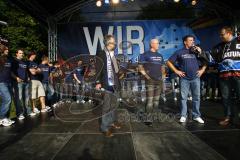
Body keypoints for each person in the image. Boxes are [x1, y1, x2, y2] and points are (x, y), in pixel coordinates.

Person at [167, 35, 207, 124]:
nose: (193, 42)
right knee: (183, 98)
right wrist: (177, 71)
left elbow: (206, 61)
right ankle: (183, 115)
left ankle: (196, 115)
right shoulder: (179, 52)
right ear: (185, 42)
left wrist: (202, 70)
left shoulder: (197, 52)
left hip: (195, 78)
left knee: (196, 97)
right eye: (190, 40)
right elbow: (169, 62)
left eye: (193, 40)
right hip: (184, 78)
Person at [211, 26, 240, 126]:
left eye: (222, 34)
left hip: (238, 75)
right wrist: (199, 52)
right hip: (224, 76)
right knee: (226, 97)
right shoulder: (219, 46)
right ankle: (228, 117)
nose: (220, 36)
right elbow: (211, 58)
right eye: (220, 34)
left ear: (229, 33)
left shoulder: (238, 40)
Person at [95, 34, 121, 137]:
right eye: (113, 42)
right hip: (106, 83)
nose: (115, 43)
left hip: (115, 84)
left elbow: (116, 70)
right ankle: (105, 128)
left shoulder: (113, 54)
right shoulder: (101, 54)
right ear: (108, 42)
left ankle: (112, 122)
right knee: (106, 106)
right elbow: (98, 68)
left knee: (114, 105)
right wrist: (97, 82)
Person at [139, 38, 165, 126]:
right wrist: (146, 76)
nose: (158, 45)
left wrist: (163, 75)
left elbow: (162, 66)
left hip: (159, 81)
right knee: (150, 100)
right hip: (150, 81)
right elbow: (140, 67)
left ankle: (154, 115)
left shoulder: (160, 55)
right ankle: (148, 118)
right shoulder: (145, 55)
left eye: (158, 43)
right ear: (151, 44)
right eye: (156, 43)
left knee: (156, 100)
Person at [12, 49, 31, 119]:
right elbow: (11, 71)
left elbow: (26, 71)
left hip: (26, 82)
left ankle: (28, 112)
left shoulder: (24, 62)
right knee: (19, 98)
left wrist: (28, 77)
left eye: (22, 53)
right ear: (16, 54)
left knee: (26, 98)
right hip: (18, 82)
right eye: (20, 53)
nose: (22, 54)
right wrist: (16, 78)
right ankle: (19, 114)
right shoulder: (14, 61)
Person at [0, 46, 15, 126]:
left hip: (9, 82)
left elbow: (10, 71)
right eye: (6, 49)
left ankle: (6, 117)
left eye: (8, 49)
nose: (8, 50)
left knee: (8, 100)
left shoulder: (9, 59)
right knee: (7, 99)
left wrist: (16, 78)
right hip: (1, 82)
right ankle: (1, 118)